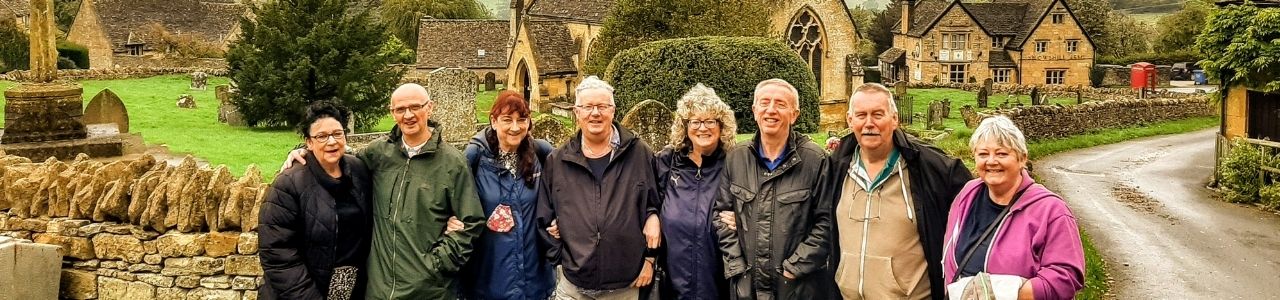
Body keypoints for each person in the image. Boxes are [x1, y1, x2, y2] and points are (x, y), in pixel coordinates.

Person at [283, 83, 486, 299]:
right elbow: (337, 160)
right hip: (378, 289)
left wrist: (438, 263)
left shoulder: (453, 163)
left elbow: (471, 222)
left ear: (430, 108)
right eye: (400, 109)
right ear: (392, 112)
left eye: (415, 107)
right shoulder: (378, 153)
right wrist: (303, 151)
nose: (408, 115)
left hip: (428, 290)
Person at [822, 83, 973, 300]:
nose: (869, 123)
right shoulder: (835, 168)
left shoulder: (929, 167)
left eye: (878, 114)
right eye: (861, 115)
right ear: (850, 120)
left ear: (894, 119)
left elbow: (980, 207)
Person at [535, 76, 662, 300]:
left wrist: (650, 259)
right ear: (577, 112)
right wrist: (562, 260)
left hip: (625, 284)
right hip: (574, 286)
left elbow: (657, 205)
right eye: (588, 107)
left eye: (602, 106)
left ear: (613, 110)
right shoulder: (558, 160)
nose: (595, 113)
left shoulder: (640, 154)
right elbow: (544, 217)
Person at [941, 116, 1084, 300]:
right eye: (983, 154)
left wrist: (1005, 292)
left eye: (1001, 154)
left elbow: (1067, 278)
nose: (991, 161)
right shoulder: (967, 195)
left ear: (1022, 158)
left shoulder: (1051, 210)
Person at [714, 79, 831, 299]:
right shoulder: (736, 158)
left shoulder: (816, 161)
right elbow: (720, 217)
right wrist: (738, 267)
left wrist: (793, 269)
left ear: (794, 114)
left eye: (780, 104)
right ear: (754, 111)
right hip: (747, 288)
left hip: (797, 289)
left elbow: (827, 224)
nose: (771, 110)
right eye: (764, 103)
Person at [259, 101, 373, 300]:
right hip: (301, 293)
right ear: (309, 142)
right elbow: (278, 254)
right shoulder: (288, 184)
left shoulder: (359, 171)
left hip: (351, 291)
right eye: (321, 136)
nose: (331, 142)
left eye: (337, 134)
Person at [459, 90, 556, 300]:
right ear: (493, 121)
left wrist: (560, 219)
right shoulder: (474, 158)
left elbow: (567, 193)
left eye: (522, 120)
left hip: (535, 280)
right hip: (488, 281)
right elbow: (452, 200)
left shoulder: (543, 153)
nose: (515, 127)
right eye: (507, 120)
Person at [654, 84, 737, 299]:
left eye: (710, 121)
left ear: (721, 126)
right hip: (673, 280)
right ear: (685, 126)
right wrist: (651, 217)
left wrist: (744, 218)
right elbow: (648, 203)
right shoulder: (667, 161)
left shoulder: (734, 163)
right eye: (696, 121)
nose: (703, 128)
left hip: (719, 281)